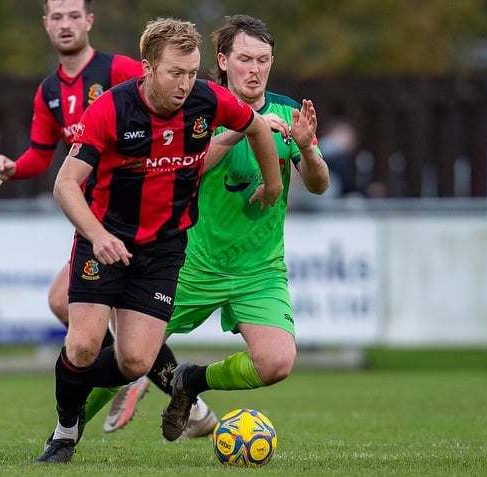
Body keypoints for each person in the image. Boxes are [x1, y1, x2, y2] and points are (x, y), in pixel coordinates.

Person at [35, 17, 283, 464]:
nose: (187, 83)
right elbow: (65, 185)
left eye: (192, 72)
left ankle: (74, 377)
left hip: (164, 250)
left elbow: (258, 127)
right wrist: (98, 234)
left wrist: (274, 185)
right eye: (176, 72)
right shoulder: (112, 109)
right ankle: (65, 431)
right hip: (103, 240)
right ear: (148, 67)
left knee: (134, 362)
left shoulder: (208, 100)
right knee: (84, 345)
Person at [0, 0, 215, 438]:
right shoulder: (50, 89)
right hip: (96, 222)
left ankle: (161, 388)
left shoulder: (121, 71)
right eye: (56, 16)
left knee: (89, 318)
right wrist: (13, 167)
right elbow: (42, 155)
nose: (65, 24)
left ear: (88, 21)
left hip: (143, 222)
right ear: (46, 24)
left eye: (74, 15)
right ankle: (151, 384)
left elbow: (175, 113)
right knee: (65, 306)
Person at [159, 14, 329, 441]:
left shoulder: (288, 112)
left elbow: (319, 183)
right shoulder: (199, 108)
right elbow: (188, 169)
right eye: (245, 59)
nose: (255, 69)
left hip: (259, 270)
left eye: (263, 59)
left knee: (276, 364)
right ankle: (68, 428)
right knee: (130, 354)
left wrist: (307, 149)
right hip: (195, 264)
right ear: (223, 60)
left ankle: (191, 381)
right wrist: (244, 127)